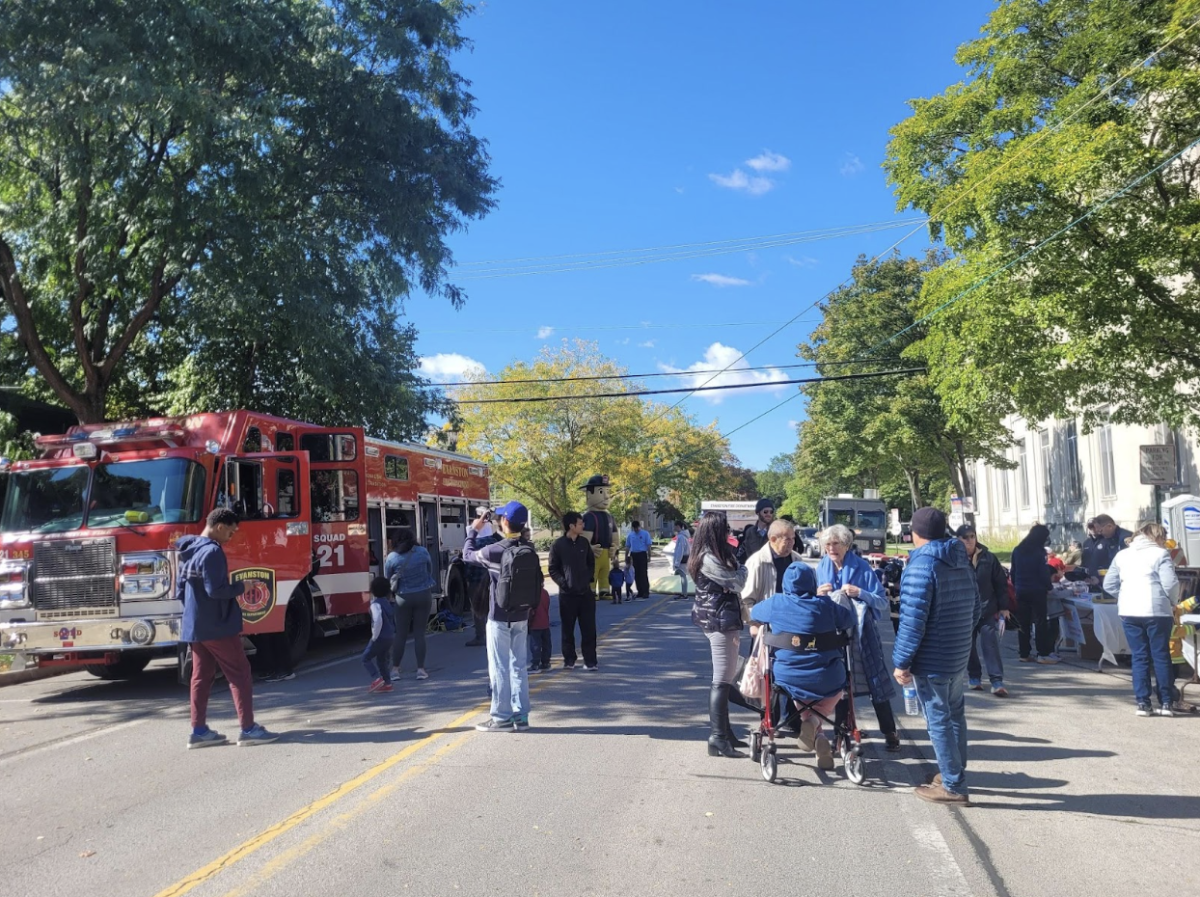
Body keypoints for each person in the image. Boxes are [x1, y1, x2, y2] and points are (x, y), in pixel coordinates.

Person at [892, 507, 979, 804]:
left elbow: (913, 621)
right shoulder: (960, 558)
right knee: (955, 715)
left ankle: (953, 785)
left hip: (932, 657)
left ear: (914, 533)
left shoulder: (921, 565)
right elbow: (976, 606)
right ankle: (954, 771)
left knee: (938, 719)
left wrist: (901, 662)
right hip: (957, 652)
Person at [178, 508, 279, 748]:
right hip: (218, 625)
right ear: (219, 526)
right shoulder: (212, 552)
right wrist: (241, 587)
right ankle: (248, 729)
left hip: (195, 623)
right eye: (230, 532)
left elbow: (181, 588)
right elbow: (216, 590)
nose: (231, 538)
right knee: (240, 674)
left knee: (200, 677)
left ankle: (199, 731)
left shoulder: (187, 549)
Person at [751, 563, 857, 770]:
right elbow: (849, 619)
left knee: (801, 691)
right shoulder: (825, 605)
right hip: (828, 676)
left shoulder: (777, 603)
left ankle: (813, 725)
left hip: (789, 677)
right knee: (833, 688)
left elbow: (755, 612)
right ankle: (816, 727)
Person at [816, 524, 900, 751]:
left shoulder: (861, 567)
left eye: (836, 544)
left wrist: (859, 593)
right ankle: (840, 736)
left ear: (846, 545)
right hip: (834, 633)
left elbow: (882, 601)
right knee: (840, 684)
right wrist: (818, 594)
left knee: (875, 682)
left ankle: (890, 732)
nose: (831, 548)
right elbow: (811, 602)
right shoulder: (822, 566)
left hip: (863, 634)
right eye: (828, 544)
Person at [465, 501, 542, 731]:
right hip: (522, 616)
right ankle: (521, 716)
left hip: (498, 617)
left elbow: (467, 555)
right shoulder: (530, 549)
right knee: (519, 666)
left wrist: (473, 530)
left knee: (499, 667)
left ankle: (500, 717)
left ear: (505, 522)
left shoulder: (494, 551)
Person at [1103, 522, 1181, 716]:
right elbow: (1170, 584)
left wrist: (1123, 596)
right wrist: (1172, 601)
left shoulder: (1122, 554)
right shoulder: (1161, 554)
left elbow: (1109, 584)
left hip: (1129, 610)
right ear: (1158, 537)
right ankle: (1165, 702)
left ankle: (1143, 703)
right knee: (1161, 655)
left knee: (1139, 656)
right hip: (1157, 610)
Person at [688, 512, 748, 758]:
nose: (729, 533)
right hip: (719, 619)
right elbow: (738, 582)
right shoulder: (709, 558)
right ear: (714, 530)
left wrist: (735, 573)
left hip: (719, 616)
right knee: (722, 679)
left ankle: (726, 733)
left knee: (726, 676)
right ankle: (718, 738)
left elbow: (732, 581)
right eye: (725, 529)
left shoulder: (712, 554)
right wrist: (740, 571)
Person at [956, 524, 1011, 697]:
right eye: (965, 537)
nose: (969, 540)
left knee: (990, 644)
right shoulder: (954, 558)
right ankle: (974, 678)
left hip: (987, 609)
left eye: (972, 536)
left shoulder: (988, 558)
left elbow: (1001, 584)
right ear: (958, 539)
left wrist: (1004, 607)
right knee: (968, 646)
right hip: (964, 611)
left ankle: (997, 681)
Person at [548, 511, 597, 671]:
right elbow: (553, 569)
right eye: (580, 523)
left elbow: (591, 563)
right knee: (567, 630)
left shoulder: (584, 543)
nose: (583, 525)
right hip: (567, 596)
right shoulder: (558, 545)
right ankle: (569, 659)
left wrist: (588, 578)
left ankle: (590, 661)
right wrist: (564, 583)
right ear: (571, 526)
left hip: (585, 594)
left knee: (589, 629)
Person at [383, 528, 435, 680]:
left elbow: (388, 577)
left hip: (403, 597)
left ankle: (395, 670)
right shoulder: (423, 552)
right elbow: (429, 570)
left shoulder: (392, 557)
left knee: (401, 634)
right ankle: (421, 670)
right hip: (424, 594)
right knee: (420, 633)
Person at [1011, 524, 1059, 663]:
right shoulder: (1039, 552)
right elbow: (1043, 572)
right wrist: (1049, 586)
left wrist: (1016, 585)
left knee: (1023, 622)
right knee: (1040, 622)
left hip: (1021, 589)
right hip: (1037, 590)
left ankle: (1024, 653)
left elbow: (1013, 570)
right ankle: (1042, 653)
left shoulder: (1018, 549)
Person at [740, 520, 801, 614]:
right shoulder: (756, 562)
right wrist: (755, 623)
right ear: (773, 539)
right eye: (787, 539)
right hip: (765, 622)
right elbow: (746, 600)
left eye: (793, 538)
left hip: (792, 620)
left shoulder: (797, 560)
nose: (792, 543)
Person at [363, 576, 397, 693]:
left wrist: (374, 636)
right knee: (382, 660)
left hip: (380, 637)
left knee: (366, 658)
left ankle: (377, 678)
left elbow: (377, 620)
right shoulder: (388, 603)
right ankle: (388, 683)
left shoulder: (375, 604)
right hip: (390, 636)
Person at [1083, 514, 1133, 581]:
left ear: (1110, 526)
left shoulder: (1125, 538)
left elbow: (1128, 564)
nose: (1100, 534)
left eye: (1101, 531)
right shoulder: (1108, 538)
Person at [625, 520, 653, 599]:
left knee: (643, 573)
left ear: (639, 526)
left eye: (637, 528)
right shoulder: (630, 535)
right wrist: (626, 556)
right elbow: (627, 546)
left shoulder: (645, 534)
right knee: (636, 574)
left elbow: (648, 546)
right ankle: (640, 591)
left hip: (642, 554)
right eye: (634, 528)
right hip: (634, 554)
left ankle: (645, 591)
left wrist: (649, 556)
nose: (636, 529)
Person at [527, 586, 552, 673]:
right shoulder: (545, 592)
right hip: (545, 622)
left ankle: (535, 664)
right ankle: (546, 662)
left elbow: (529, 610)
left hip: (535, 623)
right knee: (546, 643)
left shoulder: (532, 594)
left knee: (535, 645)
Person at [672, 521, 691, 600]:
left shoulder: (681, 537)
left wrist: (677, 562)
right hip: (685, 558)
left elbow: (680, 550)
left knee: (683, 576)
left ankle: (684, 594)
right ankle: (684, 593)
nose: (674, 528)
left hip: (682, 559)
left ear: (679, 527)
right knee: (682, 576)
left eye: (675, 526)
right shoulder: (684, 536)